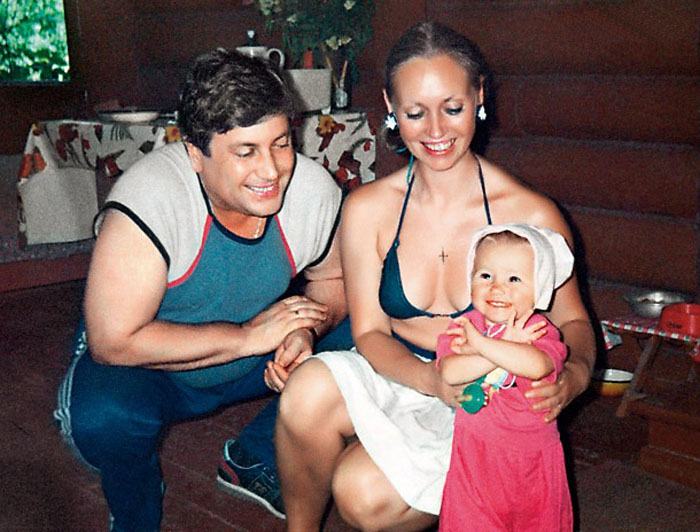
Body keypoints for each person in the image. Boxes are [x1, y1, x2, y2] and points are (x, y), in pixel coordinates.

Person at [275, 21, 595, 532]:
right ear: (390, 107)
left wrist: (573, 378)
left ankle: (474, 499)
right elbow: (370, 332)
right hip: (402, 370)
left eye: (452, 108)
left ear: (479, 96)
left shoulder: (530, 214)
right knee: (305, 390)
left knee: (362, 495)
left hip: (488, 390)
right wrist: (429, 379)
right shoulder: (368, 209)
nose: (436, 131)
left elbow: (575, 322)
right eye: (415, 113)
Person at [53, 48, 346, 531]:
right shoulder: (151, 198)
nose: (272, 171)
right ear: (195, 154)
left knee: (376, 325)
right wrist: (247, 337)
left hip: (256, 356)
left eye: (280, 144)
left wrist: (306, 331)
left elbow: (333, 281)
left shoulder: (312, 190)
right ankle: (136, 510)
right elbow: (114, 341)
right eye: (245, 152)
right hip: (154, 369)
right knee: (103, 419)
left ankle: (258, 457)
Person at [436, 223, 575, 531]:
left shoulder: (538, 330)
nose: (497, 288)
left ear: (539, 287)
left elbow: (537, 366)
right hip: (474, 457)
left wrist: (481, 345)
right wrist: (495, 346)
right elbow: (451, 372)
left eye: (514, 279)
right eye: (486, 275)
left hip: (532, 462)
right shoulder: (465, 327)